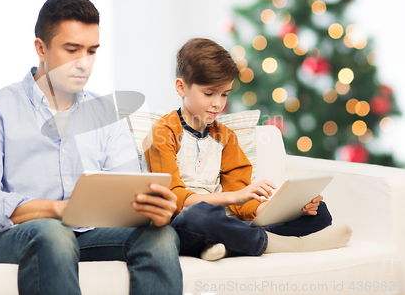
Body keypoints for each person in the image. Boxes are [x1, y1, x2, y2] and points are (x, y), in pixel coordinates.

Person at [0, 0, 182, 295]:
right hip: (6, 238)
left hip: (84, 235)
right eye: (72, 49)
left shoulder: (106, 114)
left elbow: (126, 190)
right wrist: (57, 209)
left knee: (161, 235)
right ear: (41, 48)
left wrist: (152, 208)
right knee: (53, 232)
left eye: (91, 51)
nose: (84, 64)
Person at [143, 37, 352, 261]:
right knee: (200, 215)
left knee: (320, 213)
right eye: (209, 93)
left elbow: (244, 201)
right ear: (181, 87)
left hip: (224, 223)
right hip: (184, 223)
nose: (218, 104)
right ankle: (286, 244)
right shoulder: (163, 133)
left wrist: (282, 208)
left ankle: (228, 245)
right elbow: (175, 199)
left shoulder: (226, 137)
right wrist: (233, 197)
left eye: (224, 94)